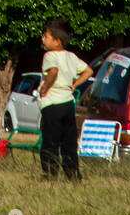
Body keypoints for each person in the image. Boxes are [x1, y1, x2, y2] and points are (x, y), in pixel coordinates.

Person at [38, 18, 92, 180]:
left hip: (52, 103)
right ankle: (73, 175)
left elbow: (53, 71)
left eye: (45, 36)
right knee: (69, 142)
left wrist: (45, 88)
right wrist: (75, 84)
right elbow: (88, 71)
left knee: (50, 142)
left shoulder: (49, 55)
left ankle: (50, 174)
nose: (42, 39)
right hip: (68, 103)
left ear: (56, 41)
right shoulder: (71, 56)